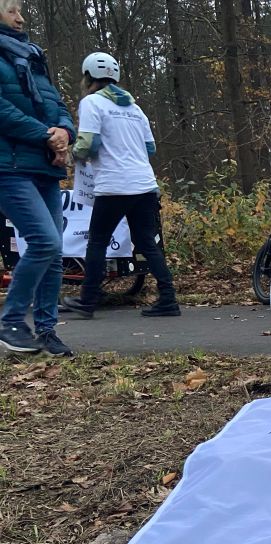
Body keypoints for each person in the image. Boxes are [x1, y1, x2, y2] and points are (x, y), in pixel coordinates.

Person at [62, 52, 179, 319]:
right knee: (146, 242)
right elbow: (150, 148)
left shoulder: (92, 102)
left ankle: (88, 301)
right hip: (145, 184)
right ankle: (168, 299)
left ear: (88, 77)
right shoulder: (135, 109)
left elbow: (88, 144)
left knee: (97, 242)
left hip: (114, 184)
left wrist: (74, 156)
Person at [0, 0, 76, 355]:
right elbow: (3, 111)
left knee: (55, 251)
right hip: (9, 167)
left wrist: (64, 132)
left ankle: (46, 330)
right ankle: (12, 321)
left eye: (20, 10)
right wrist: (45, 135)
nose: (21, 18)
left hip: (45, 166)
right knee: (44, 241)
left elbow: (56, 104)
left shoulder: (32, 56)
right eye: (11, 10)